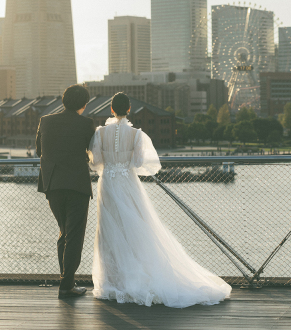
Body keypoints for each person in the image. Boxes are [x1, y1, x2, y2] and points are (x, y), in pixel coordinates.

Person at [88, 92, 231, 308]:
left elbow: (96, 161)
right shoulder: (136, 134)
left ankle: (113, 281)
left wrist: (111, 166)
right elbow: (139, 163)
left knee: (108, 231)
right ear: (128, 110)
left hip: (107, 183)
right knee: (135, 230)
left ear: (110, 109)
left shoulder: (99, 133)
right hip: (128, 184)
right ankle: (135, 276)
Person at [36, 84, 96, 299]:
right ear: (83, 104)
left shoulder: (46, 121)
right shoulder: (86, 124)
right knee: (75, 235)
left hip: (52, 185)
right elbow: (94, 153)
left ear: (63, 100)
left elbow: (38, 150)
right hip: (77, 186)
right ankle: (67, 286)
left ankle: (66, 281)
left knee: (63, 231)